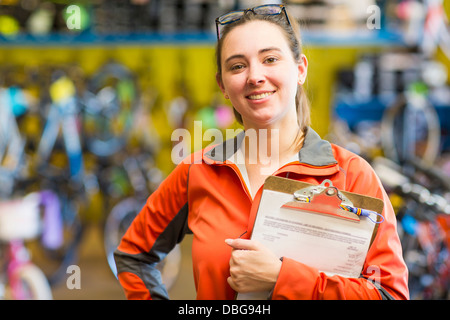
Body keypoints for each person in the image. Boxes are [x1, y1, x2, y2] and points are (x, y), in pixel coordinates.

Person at [114, 4, 409, 300]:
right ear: (223, 87)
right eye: (237, 66)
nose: (255, 76)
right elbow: (133, 254)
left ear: (300, 69)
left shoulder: (351, 176)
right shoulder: (199, 171)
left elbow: (390, 294)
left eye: (270, 59)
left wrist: (283, 278)